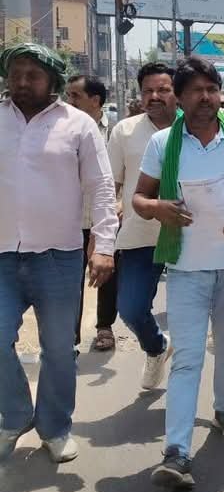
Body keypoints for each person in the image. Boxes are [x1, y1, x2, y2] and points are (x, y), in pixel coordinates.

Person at [133, 57, 224, 488]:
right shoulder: (163, 143)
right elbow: (140, 198)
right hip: (185, 269)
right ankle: (176, 452)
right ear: (179, 98)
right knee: (188, 358)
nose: (205, 97)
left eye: (211, 89)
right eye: (195, 90)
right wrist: (158, 207)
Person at [0, 43, 118, 463]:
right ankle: (15, 416)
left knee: (58, 349)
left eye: (32, 74)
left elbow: (101, 188)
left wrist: (104, 246)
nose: (21, 82)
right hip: (2, 255)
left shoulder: (78, 125)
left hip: (58, 257)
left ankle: (54, 427)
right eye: (15, 73)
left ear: (52, 79)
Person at [107, 62, 178, 389]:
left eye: (163, 89)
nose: (154, 96)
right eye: (148, 90)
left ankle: (188, 389)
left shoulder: (196, 127)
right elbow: (111, 185)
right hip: (140, 234)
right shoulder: (124, 131)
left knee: (192, 317)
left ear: (177, 92)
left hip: (190, 235)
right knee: (131, 309)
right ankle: (156, 347)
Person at [67, 74, 119, 351]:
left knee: (106, 277)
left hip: (104, 220)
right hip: (70, 221)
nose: (69, 101)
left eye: (75, 95)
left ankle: (104, 327)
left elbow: (120, 177)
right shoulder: (62, 130)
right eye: (68, 95)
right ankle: (70, 339)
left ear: (95, 100)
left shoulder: (116, 132)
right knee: (69, 282)